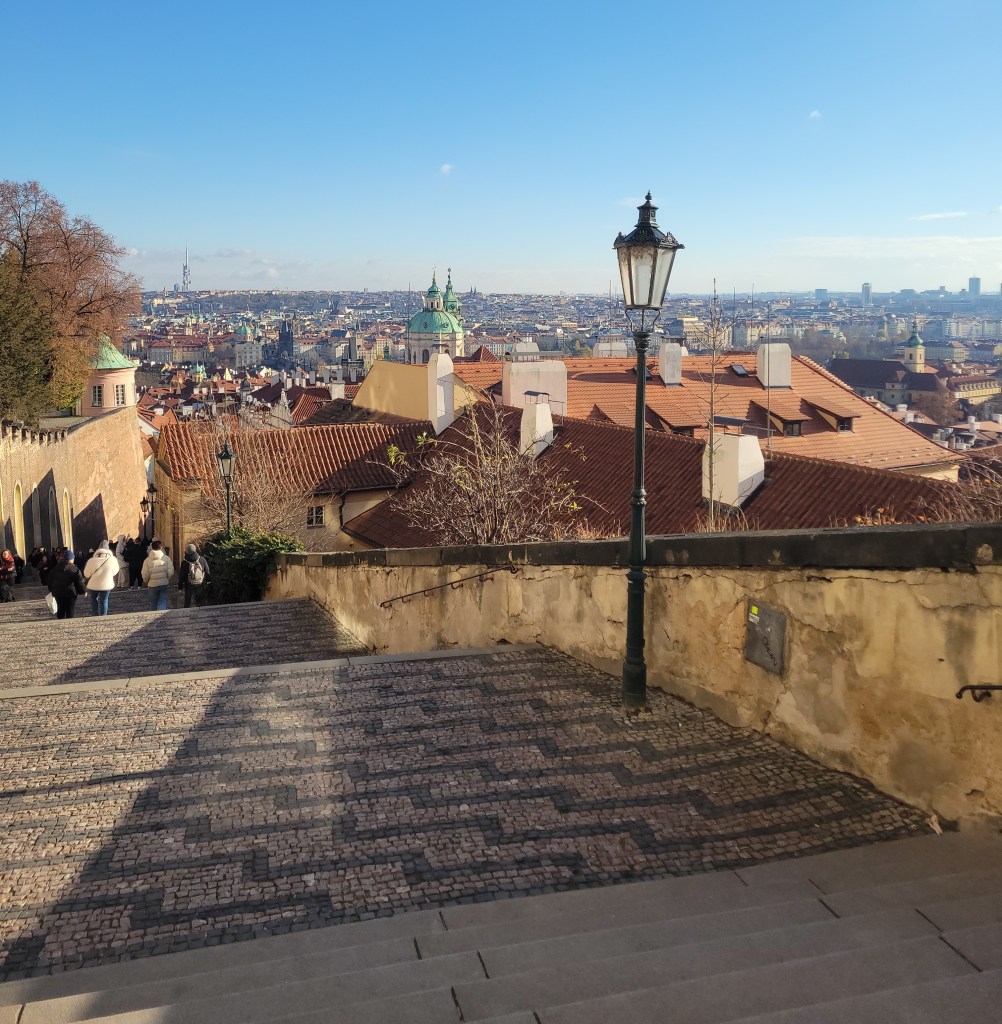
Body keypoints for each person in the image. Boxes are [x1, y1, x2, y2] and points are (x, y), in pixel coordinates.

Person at [83, 540, 119, 616]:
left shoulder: (91, 560)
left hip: (93, 585)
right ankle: (103, 617)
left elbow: (86, 574)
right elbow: (115, 572)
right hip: (106, 584)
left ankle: (95, 615)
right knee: (104, 601)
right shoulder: (112, 559)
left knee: (93, 600)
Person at [47, 550, 86, 619]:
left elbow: (50, 579)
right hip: (70, 592)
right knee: (70, 609)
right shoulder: (74, 568)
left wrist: (51, 590)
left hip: (58, 592)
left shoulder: (56, 567)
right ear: (71, 559)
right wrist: (84, 591)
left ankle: (60, 622)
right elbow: (79, 581)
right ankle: (69, 622)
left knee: (60, 609)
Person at [142, 539, 174, 610]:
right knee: (162, 602)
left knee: (153, 603)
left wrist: (147, 581)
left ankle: (152, 615)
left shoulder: (147, 561)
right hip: (163, 583)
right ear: (161, 548)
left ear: (151, 548)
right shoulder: (166, 559)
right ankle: (161, 617)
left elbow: (145, 574)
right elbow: (171, 572)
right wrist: (167, 578)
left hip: (152, 585)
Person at [178, 543, 210, 608]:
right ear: (195, 550)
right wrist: (208, 581)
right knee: (200, 600)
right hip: (200, 582)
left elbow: (182, 576)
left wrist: (180, 587)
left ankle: (187, 611)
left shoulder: (185, 562)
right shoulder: (202, 559)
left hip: (189, 583)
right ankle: (200, 611)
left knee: (187, 600)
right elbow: (207, 570)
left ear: (186, 551)